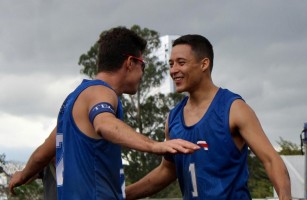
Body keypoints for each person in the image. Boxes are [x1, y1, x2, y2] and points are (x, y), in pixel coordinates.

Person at [8, 27, 200, 200]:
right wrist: (156, 145)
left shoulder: (73, 102)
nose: (142, 73)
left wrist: (22, 175)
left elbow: (42, 155)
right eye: (143, 65)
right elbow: (105, 124)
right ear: (130, 62)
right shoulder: (102, 92)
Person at [125, 34, 292, 200]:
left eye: (181, 63)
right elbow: (168, 170)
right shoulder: (173, 118)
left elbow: (271, 159)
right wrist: (122, 194)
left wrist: (285, 196)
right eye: (171, 64)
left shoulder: (234, 108)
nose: (173, 70)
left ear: (204, 64)